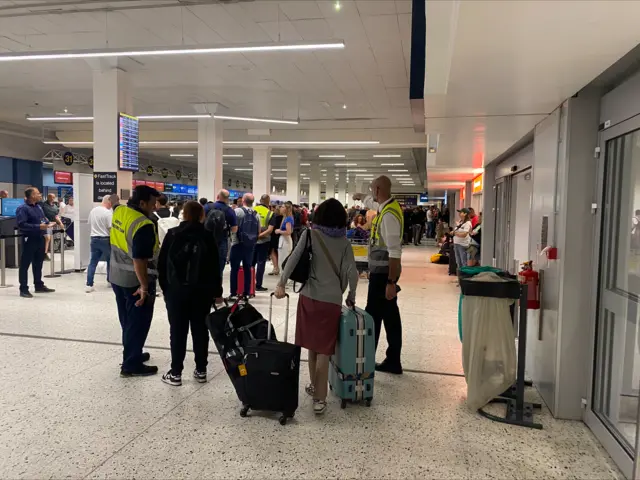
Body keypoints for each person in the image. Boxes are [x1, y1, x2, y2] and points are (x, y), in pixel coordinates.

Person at [275, 198, 358, 415]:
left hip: (309, 297)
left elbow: (292, 260)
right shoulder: (345, 242)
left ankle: (316, 388)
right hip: (331, 300)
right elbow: (352, 272)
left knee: (312, 345)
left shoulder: (310, 234)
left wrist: (281, 284)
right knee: (324, 349)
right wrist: (352, 295)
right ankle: (319, 398)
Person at [158, 201, 222, 387]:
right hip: (201, 292)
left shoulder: (172, 234)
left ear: (184, 214)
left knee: (177, 331)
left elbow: (162, 264)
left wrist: (166, 288)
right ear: (202, 215)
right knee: (200, 330)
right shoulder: (207, 236)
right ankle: (201, 370)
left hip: (176, 292)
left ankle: (176, 373)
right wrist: (216, 291)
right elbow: (214, 267)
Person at [353, 175, 404, 374]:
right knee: (390, 316)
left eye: (372, 189)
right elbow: (371, 201)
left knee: (373, 316)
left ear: (377, 190)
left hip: (384, 276)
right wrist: (361, 196)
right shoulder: (386, 207)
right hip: (381, 274)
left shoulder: (389, 215)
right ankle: (393, 360)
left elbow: (395, 252)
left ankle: (366, 360)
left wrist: (391, 282)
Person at [110, 185, 161, 377]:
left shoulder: (120, 210)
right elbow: (139, 259)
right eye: (152, 203)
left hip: (116, 276)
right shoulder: (143, 224)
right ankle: (131, 364)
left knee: (127, 319)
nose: (155, 207)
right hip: (134, 281)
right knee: (138, 322)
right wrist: (144, 286)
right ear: (142, 203)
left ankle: (134, 352)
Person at [15, 187, 57, 298]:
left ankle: (38, 285)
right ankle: (23, 288)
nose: (40, 195)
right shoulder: (22, 209)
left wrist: (49, 223)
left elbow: (43, 219)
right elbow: (22, 224)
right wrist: (38, 226)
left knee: (38, 263)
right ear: (32, 196)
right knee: (25, 264)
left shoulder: (38, 207)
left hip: (40, 238)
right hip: (29, 238)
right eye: (38, 193)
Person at [229, 193, 260, 299]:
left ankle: (233, 293)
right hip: (250, 245)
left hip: (237, 243)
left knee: (235, 269)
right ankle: (246, 293)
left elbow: (233, 227)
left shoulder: (237, 211)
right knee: (248, 269)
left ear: (243, 200)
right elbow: (258, 231)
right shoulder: (256, 214)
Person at [205, 189, 238, 280]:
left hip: (206, 240)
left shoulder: (207, 207)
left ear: (217, 196)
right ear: (227, 199)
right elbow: (234, 229)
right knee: (219, 266)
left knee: (206, 265)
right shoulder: (230, 210)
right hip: (222, 240)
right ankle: (217, 290)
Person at [85, 195, 113, 293]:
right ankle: (110, 281)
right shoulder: (108, 213)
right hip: (105, 239)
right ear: (108, 202)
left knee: (93, 262)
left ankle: (89, 284)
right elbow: (111, 228)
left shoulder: (93, 210)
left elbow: (90, 223)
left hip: (94, 239)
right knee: (111, 260)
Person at [253, 194, 277, 292]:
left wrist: (254, 237)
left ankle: (249, 284)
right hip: (264, 241)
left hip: (251, 241)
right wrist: (260, 236)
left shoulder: (252, 210)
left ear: (260, 200)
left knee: (250, 263)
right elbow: (270, 230)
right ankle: (258, 285)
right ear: (268, 201)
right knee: (261, 263)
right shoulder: (270, 213)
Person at [41, 193, 63, 261]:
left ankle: (45, 253)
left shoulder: (55, 206)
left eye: (53, 197)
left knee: (49, 239)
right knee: (47, 238)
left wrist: (60, 223)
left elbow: (56, 216)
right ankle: (44, 254)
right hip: (44, 224)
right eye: (50, 197)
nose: (52, 198)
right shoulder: (43, 205)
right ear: (48, 197)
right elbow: (41, 214)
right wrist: (45, 220)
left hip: (52, 224)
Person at [276, 203, 295, 277]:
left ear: (286, 209)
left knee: (284, 261)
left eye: (283, 207)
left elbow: (289, 231)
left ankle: (284, 279)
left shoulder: (288, 218)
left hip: (285, 241)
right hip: (284, 240)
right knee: (282, 260)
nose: (281, 208)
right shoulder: (286, 218)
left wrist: (279, 231)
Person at [268, 205, 284, 275]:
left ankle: (275, 268)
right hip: (281, 237)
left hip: (274, 236)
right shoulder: (284, 218)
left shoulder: (274, 217)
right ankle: (279, 268)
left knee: (273, 252)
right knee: (278, 252)